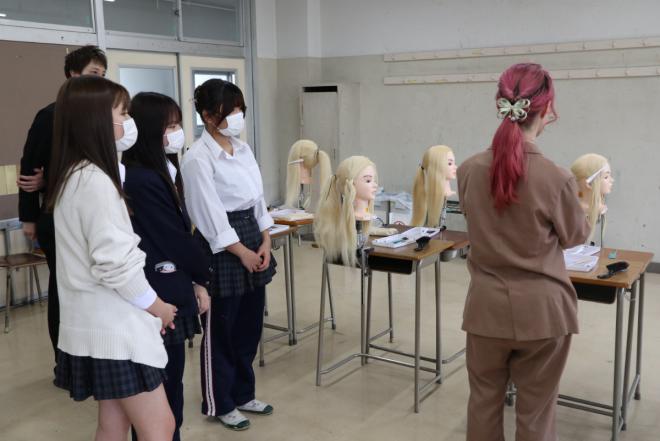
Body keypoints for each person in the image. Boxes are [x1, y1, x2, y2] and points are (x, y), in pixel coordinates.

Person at [457, 63, 590, 441]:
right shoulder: (556, 177)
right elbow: (575, 237)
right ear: (546, 110)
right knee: (536, 413)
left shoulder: (468, 170)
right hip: (544, 314)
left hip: (485, 310)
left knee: (483, 403)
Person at [47, 75, 176, 441]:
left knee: (113, 425)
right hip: (115, 330)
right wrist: (157, 306)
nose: (128, 122)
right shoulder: (94, 182)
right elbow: (116, 265)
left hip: (96, 326)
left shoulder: (77, 174)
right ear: (97, 122)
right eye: (123, 113)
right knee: (160, 428)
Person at [180, 79, 276, 431]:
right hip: (222, 247)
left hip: (252, 235)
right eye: (230, 111)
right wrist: (242, 252)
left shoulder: (243, 149)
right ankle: (220, 401)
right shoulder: (197, 158)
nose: (237, 116)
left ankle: (243, 392)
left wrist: (265, 239)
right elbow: (208, 215)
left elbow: (258, 200)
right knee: (222, 329)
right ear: (208, 116)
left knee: (249, 325)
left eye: (240, 110)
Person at [122, 92, 211, 441]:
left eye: (178, 125)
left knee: (170, 388)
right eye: (169, 126)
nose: (177, 133)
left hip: (173, 283)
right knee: (161, 393)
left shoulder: (164, 170)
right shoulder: (143, 178)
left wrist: (196, 281)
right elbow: (174, 237)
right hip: (158, 292)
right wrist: (204, 275)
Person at [17, 45, 107, 360]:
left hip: (92, 214)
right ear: (72, 74)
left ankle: (94, 354)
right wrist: (29, 218)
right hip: (56, 215)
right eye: (93, 73)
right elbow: (29, 170)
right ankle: (65, 360)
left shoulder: (101, 116)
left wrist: (51, 177)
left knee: (92, 285)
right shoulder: (51, 115)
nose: (99, 80)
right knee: (64, 288)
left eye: (103, 75)